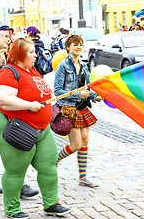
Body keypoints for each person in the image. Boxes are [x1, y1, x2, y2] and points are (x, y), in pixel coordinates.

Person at [0, 37, 71, 218]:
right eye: (31, 52)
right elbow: (0, 99)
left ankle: (51, 203)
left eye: (34, 51)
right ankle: (12, 209)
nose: (35, 55)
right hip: (18, 129)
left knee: (48, 167)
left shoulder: (32, 71)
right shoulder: (8, 72)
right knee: (16, 170)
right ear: (19, 54)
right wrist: (29, 105)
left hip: (41, 129)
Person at [0, 24, 39, 197]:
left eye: (9, 37)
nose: (8, 40)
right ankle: (17, 183)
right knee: (6, 144)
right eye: (5, 36)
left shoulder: (6, 56)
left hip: (7, 106)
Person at [54, 34, 102, 188]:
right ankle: (54, 160)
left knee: (85, 141)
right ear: (68, 48)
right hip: (69, 108)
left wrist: (95, 96)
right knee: (75, 145)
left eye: (81, 44)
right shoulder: (63, 65)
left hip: (82, 108)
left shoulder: (84, 65)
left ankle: (83, 177)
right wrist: (77, 94)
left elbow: (87, 87)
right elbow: (57, 91)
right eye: (75, 44)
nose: (79, 47)